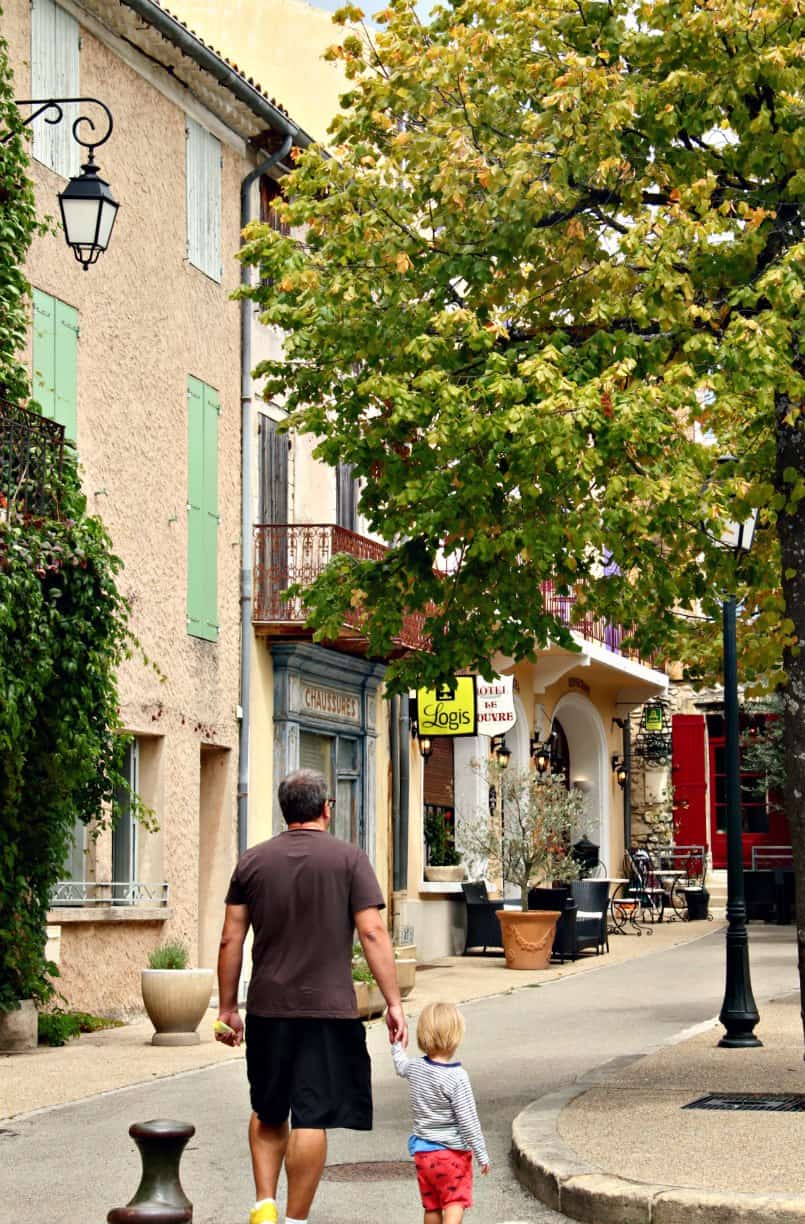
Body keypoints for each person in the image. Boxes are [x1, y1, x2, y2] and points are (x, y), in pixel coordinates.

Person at [215, 768, 407, 1224]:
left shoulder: (252, 862)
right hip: (328, 1011)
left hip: (268, 1009)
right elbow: (373, 933)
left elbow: (230, 938)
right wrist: (394, 1002)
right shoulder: (350, 859)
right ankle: (296, 1220)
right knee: (311, 1116)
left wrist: (227, 1007)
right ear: (326, 808)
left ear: (285, 811)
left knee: (268, 1111)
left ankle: (264, 1205)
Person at [392, 1001, 489, 1224]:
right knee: (455, 1201)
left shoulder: (415, 1067)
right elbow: (468, 1121)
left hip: (423, 1154)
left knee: (432, 1205)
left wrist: (396, 1042)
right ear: (455, 1036)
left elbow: (400, 1065)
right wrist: (481, 1153)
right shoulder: (457, 1077)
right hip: (451, 1155)